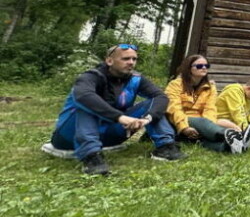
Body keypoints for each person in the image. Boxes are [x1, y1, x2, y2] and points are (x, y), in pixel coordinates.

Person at [46, 43, 185, 175]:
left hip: (110, 136)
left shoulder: (136, 79)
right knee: (86, 105)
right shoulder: (90, 77)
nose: (131, 62)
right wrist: (120, 117)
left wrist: (147, 118)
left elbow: (160, 97)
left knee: (154, 104)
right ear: (109, 61)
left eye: (134, 59)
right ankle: (91, 157)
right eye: (125, 58)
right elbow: (84, 96)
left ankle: (166, 147)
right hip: (69, 137)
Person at [165, 55, 250, 154]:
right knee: (201, 122)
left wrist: (206, 128)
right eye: (199, 66)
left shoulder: (210, 87)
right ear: (189, 68)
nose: (203, 67)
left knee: (202, 140)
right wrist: (184, 127)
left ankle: (232, 147)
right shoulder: (175, 85)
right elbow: (174, 108)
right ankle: (234, 135)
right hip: (179, 121)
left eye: (206, 65)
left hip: (202, 124)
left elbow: (210, 109)